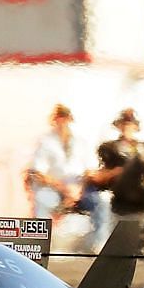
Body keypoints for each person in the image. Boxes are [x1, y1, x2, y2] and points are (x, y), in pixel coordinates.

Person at [89, 107, 144, 251]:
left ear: (136, 126)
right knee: (140, 158)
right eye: (124, 123)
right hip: (122, 189)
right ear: (119, 126)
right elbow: (98, 175)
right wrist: (118, 171)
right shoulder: (109, 147)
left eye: (131, 123)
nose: (127, 126)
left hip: (143, 190)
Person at [25, 104, 106, 247]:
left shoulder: (81, 142)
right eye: (59, 119)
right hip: (54, 186)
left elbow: (90, 171)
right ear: (54, 121)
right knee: (42, 200)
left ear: (70, 120)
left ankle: (97, 244)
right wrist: (63, 188)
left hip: (78, 186)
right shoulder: (46, 142)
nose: (62, 122)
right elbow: (39, 172)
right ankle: (41, 244)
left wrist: (78, 190)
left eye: (65, 119)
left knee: (101, 203)